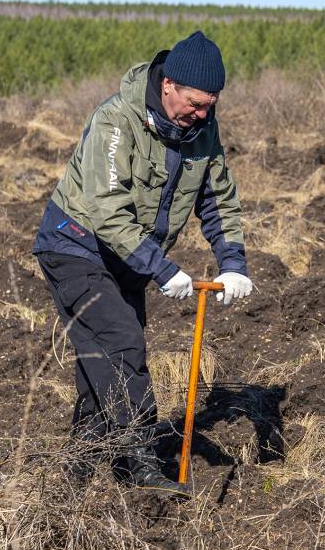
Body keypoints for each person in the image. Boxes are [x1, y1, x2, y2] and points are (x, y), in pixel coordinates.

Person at [33, 31, 253, 494]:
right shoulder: (116, 120)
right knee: (122, 343)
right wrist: (163, 268)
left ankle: (74, 477)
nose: (202, 114)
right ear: (168, 84)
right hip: (75, 245)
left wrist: (233, 262)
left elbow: (218, 200)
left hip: (128, 259)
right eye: (195, 104)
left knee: (102, 365)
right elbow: (108, 212)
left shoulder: (202, 131)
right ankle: (141, 464)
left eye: (210, 105)